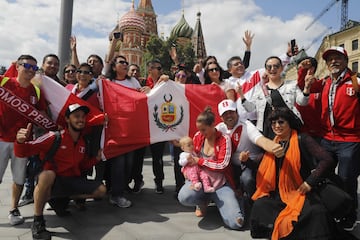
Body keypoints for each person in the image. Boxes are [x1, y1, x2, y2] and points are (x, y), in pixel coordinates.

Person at [14, 103, 106, 240]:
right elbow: (24, 151)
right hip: (54, 181)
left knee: (101, 190)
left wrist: (96, 159)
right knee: (47, 174)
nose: (80, 119)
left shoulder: (83, 142)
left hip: (71, 182)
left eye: (83, 117)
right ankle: (38, 222)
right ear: (68, 119)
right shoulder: (54, 137)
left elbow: (82, 166)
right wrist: (19, 141)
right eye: (76, 116)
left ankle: (64, 198)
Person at [250, 107, 339, 239]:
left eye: (281, 122)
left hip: (300, 191)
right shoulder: (273, 143)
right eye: (273, 123)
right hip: (279, 194)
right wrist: (246, 161)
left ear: (289, 123)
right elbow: (259, 163)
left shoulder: (302, 139)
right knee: (260, 204)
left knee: (317, 212)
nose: (276, 126)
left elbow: (327, 159)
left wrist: (309, 182)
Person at [309, 46, 360, 231]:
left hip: (350, 139)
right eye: (330, 59)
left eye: (337, 57)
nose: (333, 61)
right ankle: (332, 208)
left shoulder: (356, 81)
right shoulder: (324, 83)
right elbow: (304, 89)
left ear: (346, 60)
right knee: (323, 175)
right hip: (326, 138)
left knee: (347, 179)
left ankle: (350, 214)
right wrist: (304, 73)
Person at [177, 107, 244, 230]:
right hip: (201, 183)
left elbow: (222, 165)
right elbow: (190, 156)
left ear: (213, 125)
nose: (201, 133)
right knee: (184, 197)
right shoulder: (198, 136)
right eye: (199, 130)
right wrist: (185, 169)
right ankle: (203, 201)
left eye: (204, 129)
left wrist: (201, 161)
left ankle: (233, 201)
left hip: (221, 184)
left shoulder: (225, 139)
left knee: (236, 224)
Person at [0, 55, 47, 226]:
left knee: (19, 178)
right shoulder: (3, 83)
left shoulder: (36, 91)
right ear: (17, 66)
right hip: (1, 139)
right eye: (27, 65)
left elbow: (42, 114)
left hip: (22, 143)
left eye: (34, 68)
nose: (30, 70)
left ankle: (13, 208)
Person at [239, 56, 312, 139]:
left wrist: (307, 87)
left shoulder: (291, 85)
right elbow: (251, 109)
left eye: (276, 66)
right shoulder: (260, 90)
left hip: (290, 130)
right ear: (266, 70)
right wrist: (242, 96)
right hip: (268, 134)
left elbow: (302, 102)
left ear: (281, 68)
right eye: (269, 67)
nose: (272, 69)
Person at [215, 99, 264, 199]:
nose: (229, 116)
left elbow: (260, 139)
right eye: (225, 114)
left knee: (247, 179)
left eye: (231, 112)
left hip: (250, 164)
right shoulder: (219, 128)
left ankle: (252, 201)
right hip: (230, 166)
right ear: (221, 117)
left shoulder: (247, 125)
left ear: (237, 112)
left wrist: (271, 146)